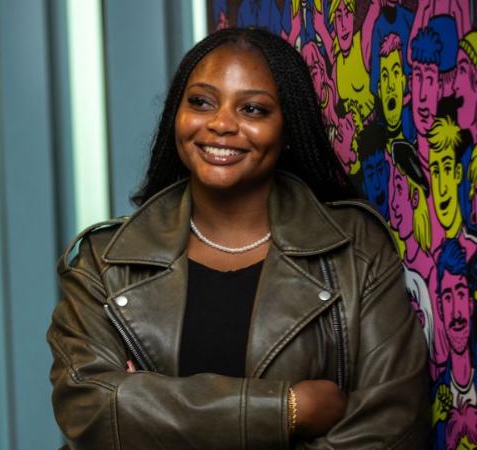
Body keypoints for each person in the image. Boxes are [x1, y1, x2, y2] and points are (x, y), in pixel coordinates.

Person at [47, 28, 429, 449]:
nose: (221, 124)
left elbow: (393, 426)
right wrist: (286, 409)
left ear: (287, 131)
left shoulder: (355, 251)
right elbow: (89, 407)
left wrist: (151, 406)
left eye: (252, 109)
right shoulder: (104, 263)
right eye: (201, 102)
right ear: (177, 114)